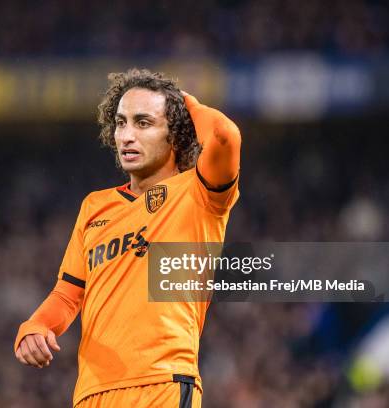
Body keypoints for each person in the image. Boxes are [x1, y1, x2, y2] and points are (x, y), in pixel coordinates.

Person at [14, 68, 241, 407]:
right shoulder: (95, 206)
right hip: (92, 393)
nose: (126, 136)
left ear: (175, 134)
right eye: (121, 123)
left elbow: (224, 135)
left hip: (161, 383)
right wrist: (36, 325)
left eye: (143, 123)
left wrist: (183, 102)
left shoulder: (200, 193)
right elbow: (68, 294)